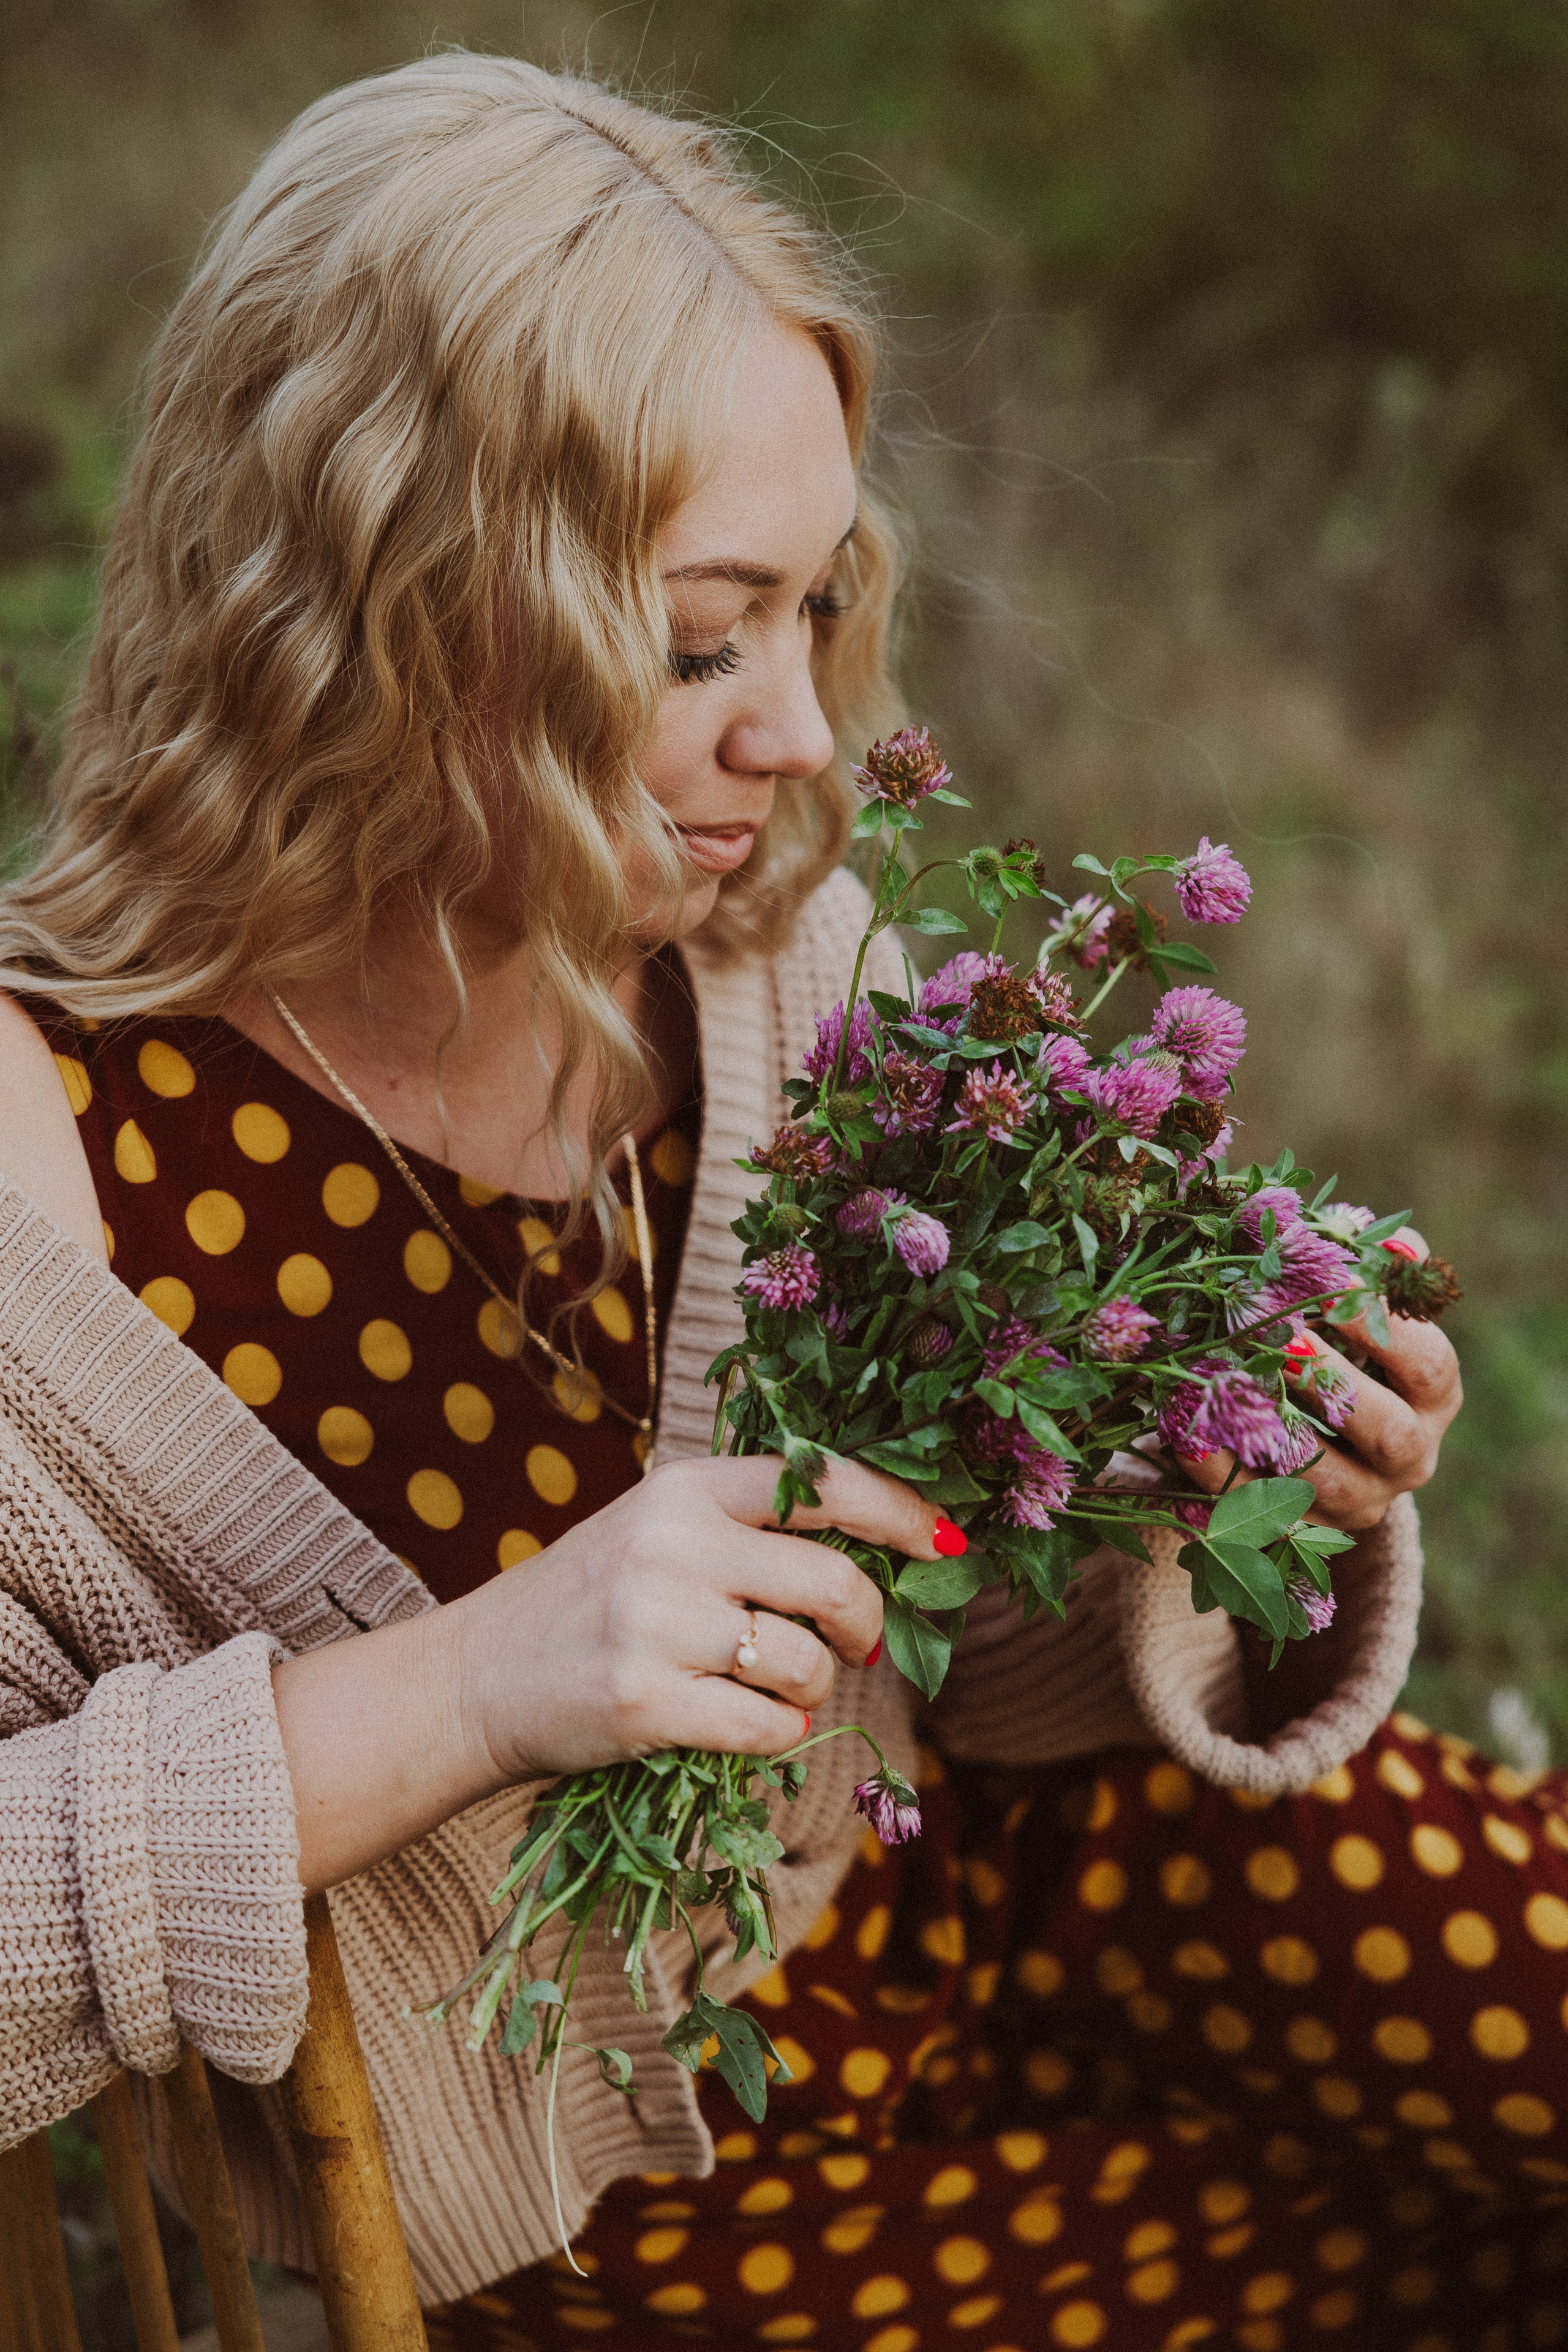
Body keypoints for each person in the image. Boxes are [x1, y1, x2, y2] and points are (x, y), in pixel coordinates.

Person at [3, 53, 1555, 2352]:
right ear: (387, 603)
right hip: (643, 2163)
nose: (805, 734)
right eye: (700, 635)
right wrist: (476, 1683)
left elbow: (959, 1679)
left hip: (1026, 1861)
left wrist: (1209, 1494)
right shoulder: (55, 1173)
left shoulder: (771, 973)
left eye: (818, 611)